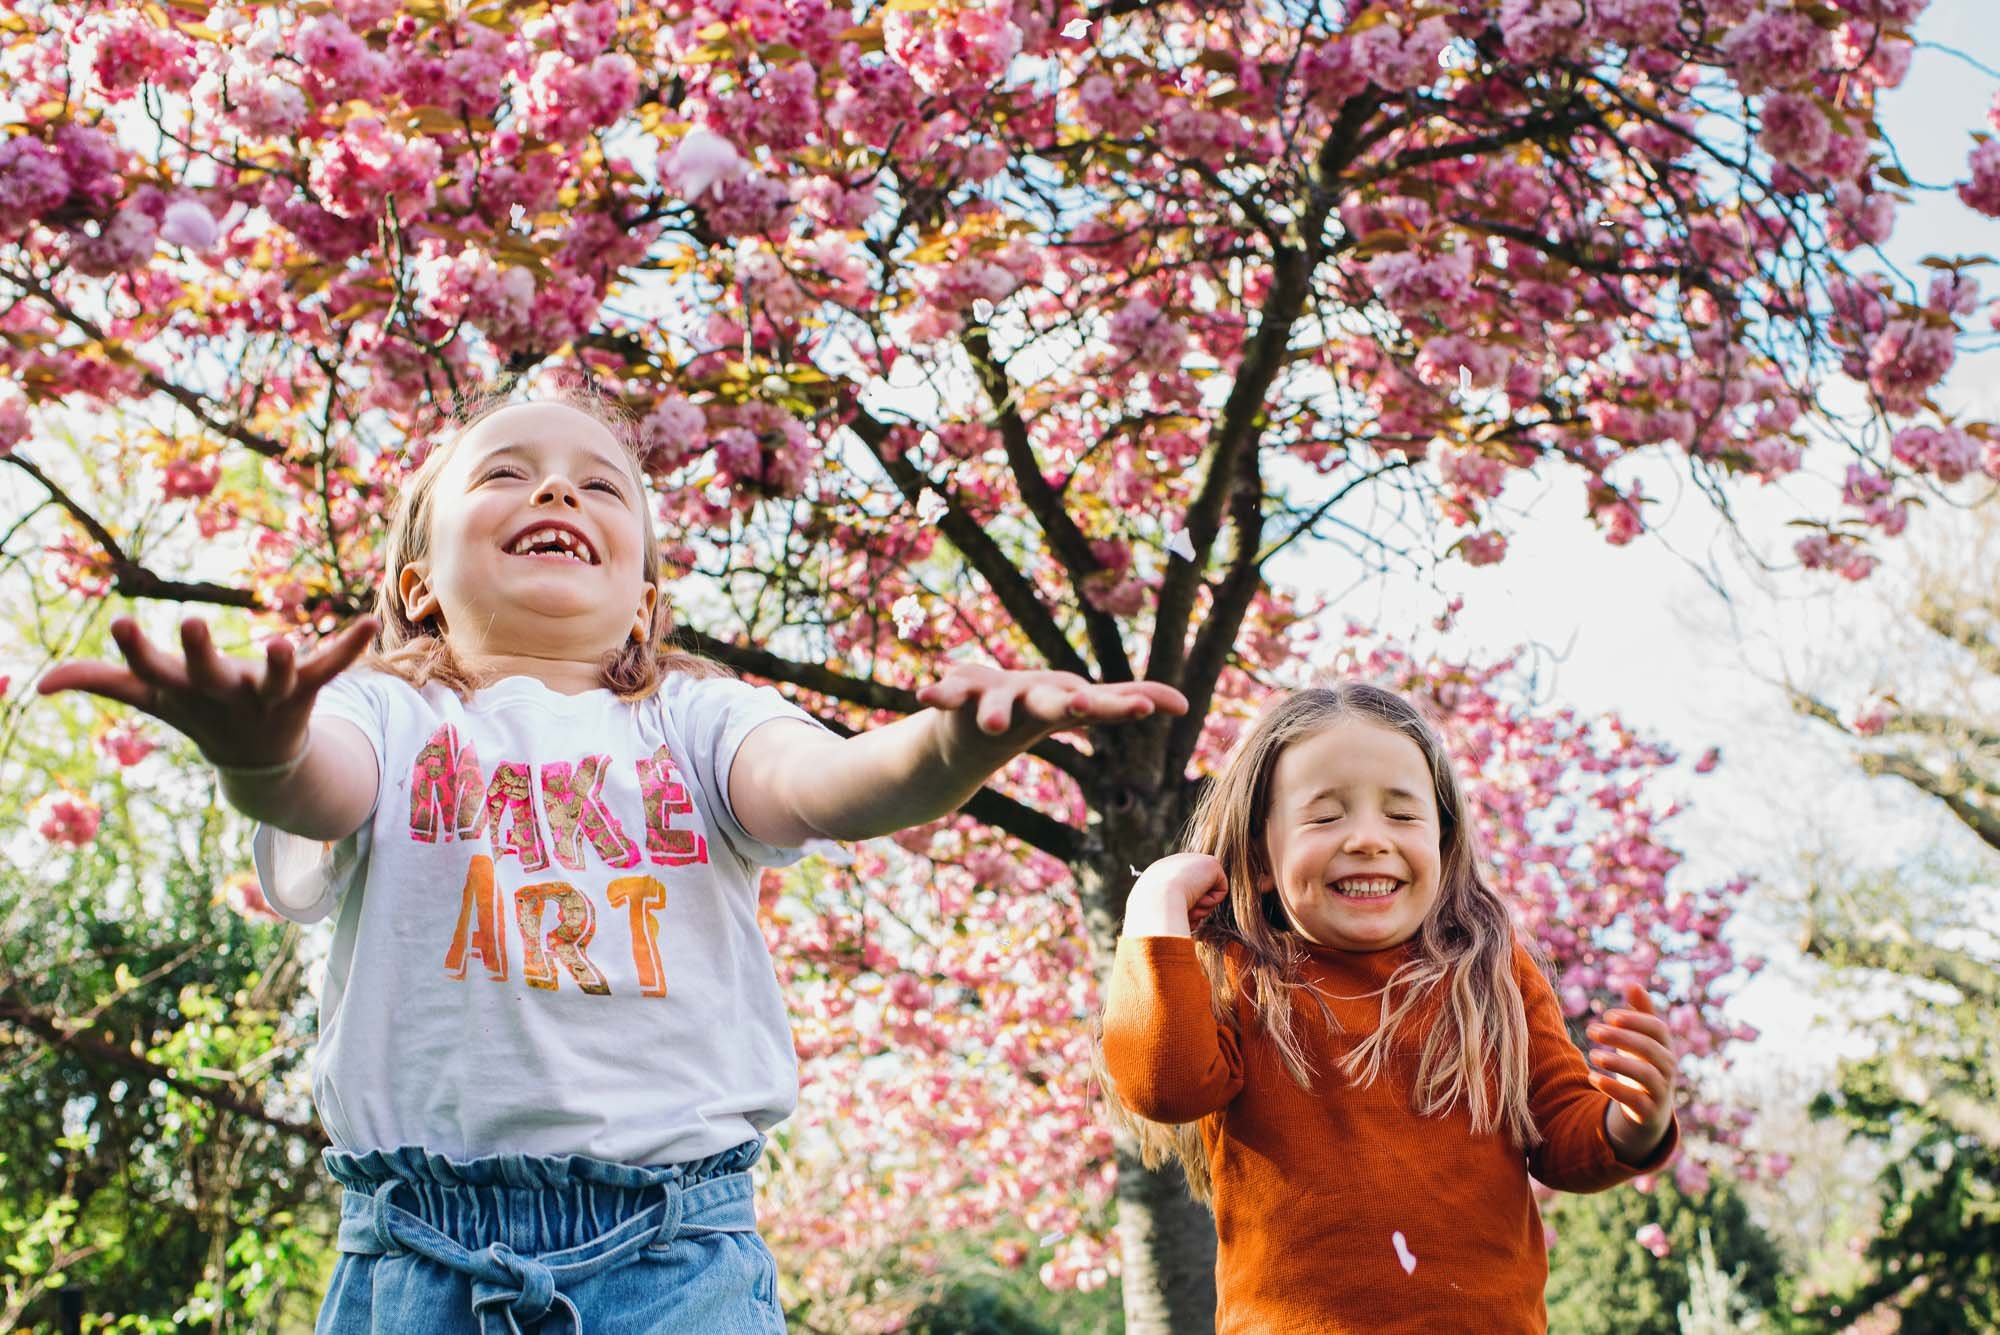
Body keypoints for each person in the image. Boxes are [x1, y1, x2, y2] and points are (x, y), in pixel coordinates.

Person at [41, 386, 1187, 1334]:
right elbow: (316, 785)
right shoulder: (385, 712)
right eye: (504, 474)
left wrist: (949, 744)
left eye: (599, 485)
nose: (554, 490)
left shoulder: (696, 718)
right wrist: (262, 747)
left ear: (642, 599)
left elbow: (825, 784)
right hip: (416, 1256)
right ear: (417, 585)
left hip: (674, 1254)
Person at [1100, 682, 1679, 1333]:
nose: (1369, 838)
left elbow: (1561, 1134)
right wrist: (1155, 904)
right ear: (1260, 857)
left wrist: (1632, 1123)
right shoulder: (1241, 979)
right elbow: (1162, 1086)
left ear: (1443, 840)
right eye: (1325, 816)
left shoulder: (1492, 974)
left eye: (1402, 815)